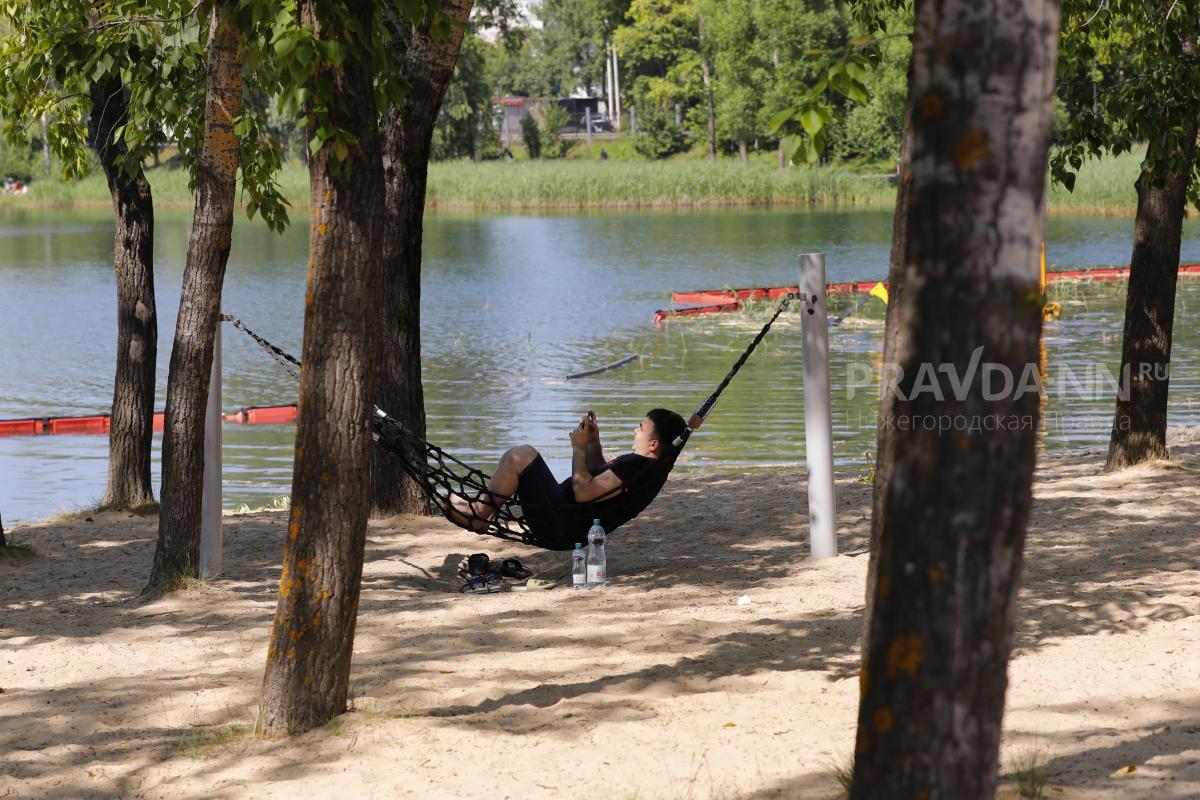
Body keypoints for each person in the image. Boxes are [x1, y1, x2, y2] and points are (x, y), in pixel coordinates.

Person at [448, 408, 687, 550]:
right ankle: (480, 507)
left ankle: (480, 515)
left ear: (654, 444)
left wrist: (579, 448)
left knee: (520, 455)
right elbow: (600, 482)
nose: (635, 431)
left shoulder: (638, 466)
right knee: (518, 457)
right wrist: (593, 442)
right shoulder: (646, 468)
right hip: (564, 517)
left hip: (561, 526)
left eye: (640, 428)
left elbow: (584, 491)